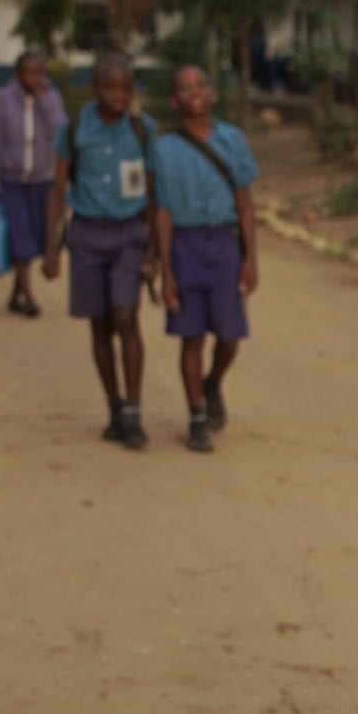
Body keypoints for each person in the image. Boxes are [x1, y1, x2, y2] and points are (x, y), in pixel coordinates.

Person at [44, 52, 157, 448]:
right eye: (109, 87)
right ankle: (113, 406)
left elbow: (156, 195)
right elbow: (58, 189)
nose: (118, 95)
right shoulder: (75, 129)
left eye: (125, 87)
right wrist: (51, 247)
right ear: (95, 89)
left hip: (130, 236)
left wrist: (154, 252)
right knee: (99, 324)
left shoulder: (143, 130)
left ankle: (133, 411)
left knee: (126, 317)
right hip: (88, 236)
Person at [151, 64, 259, 454]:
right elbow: (161, 212)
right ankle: (196, 414)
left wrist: (250, 259)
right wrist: (166, 271)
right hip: (185, 245)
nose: (194, 92)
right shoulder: (163, 150)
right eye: (184, 87)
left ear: (211, 92)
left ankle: (212, 382)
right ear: (174, 99)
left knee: (230, 336)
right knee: (190, 334)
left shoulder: (232, 140)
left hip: (225, 244)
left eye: (201, 84)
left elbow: (245, 203)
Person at [0, 50, 66, 318]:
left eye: (39, 73)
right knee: (20, 236)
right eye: (29, 73)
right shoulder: (4, 99)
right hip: (12, 180)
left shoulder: (52, 99)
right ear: (18, 74)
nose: (34, 78)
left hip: (42, 179)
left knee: (38, 234)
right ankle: (27, 295)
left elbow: (61, 133)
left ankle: (14, 293)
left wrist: (45, 104)